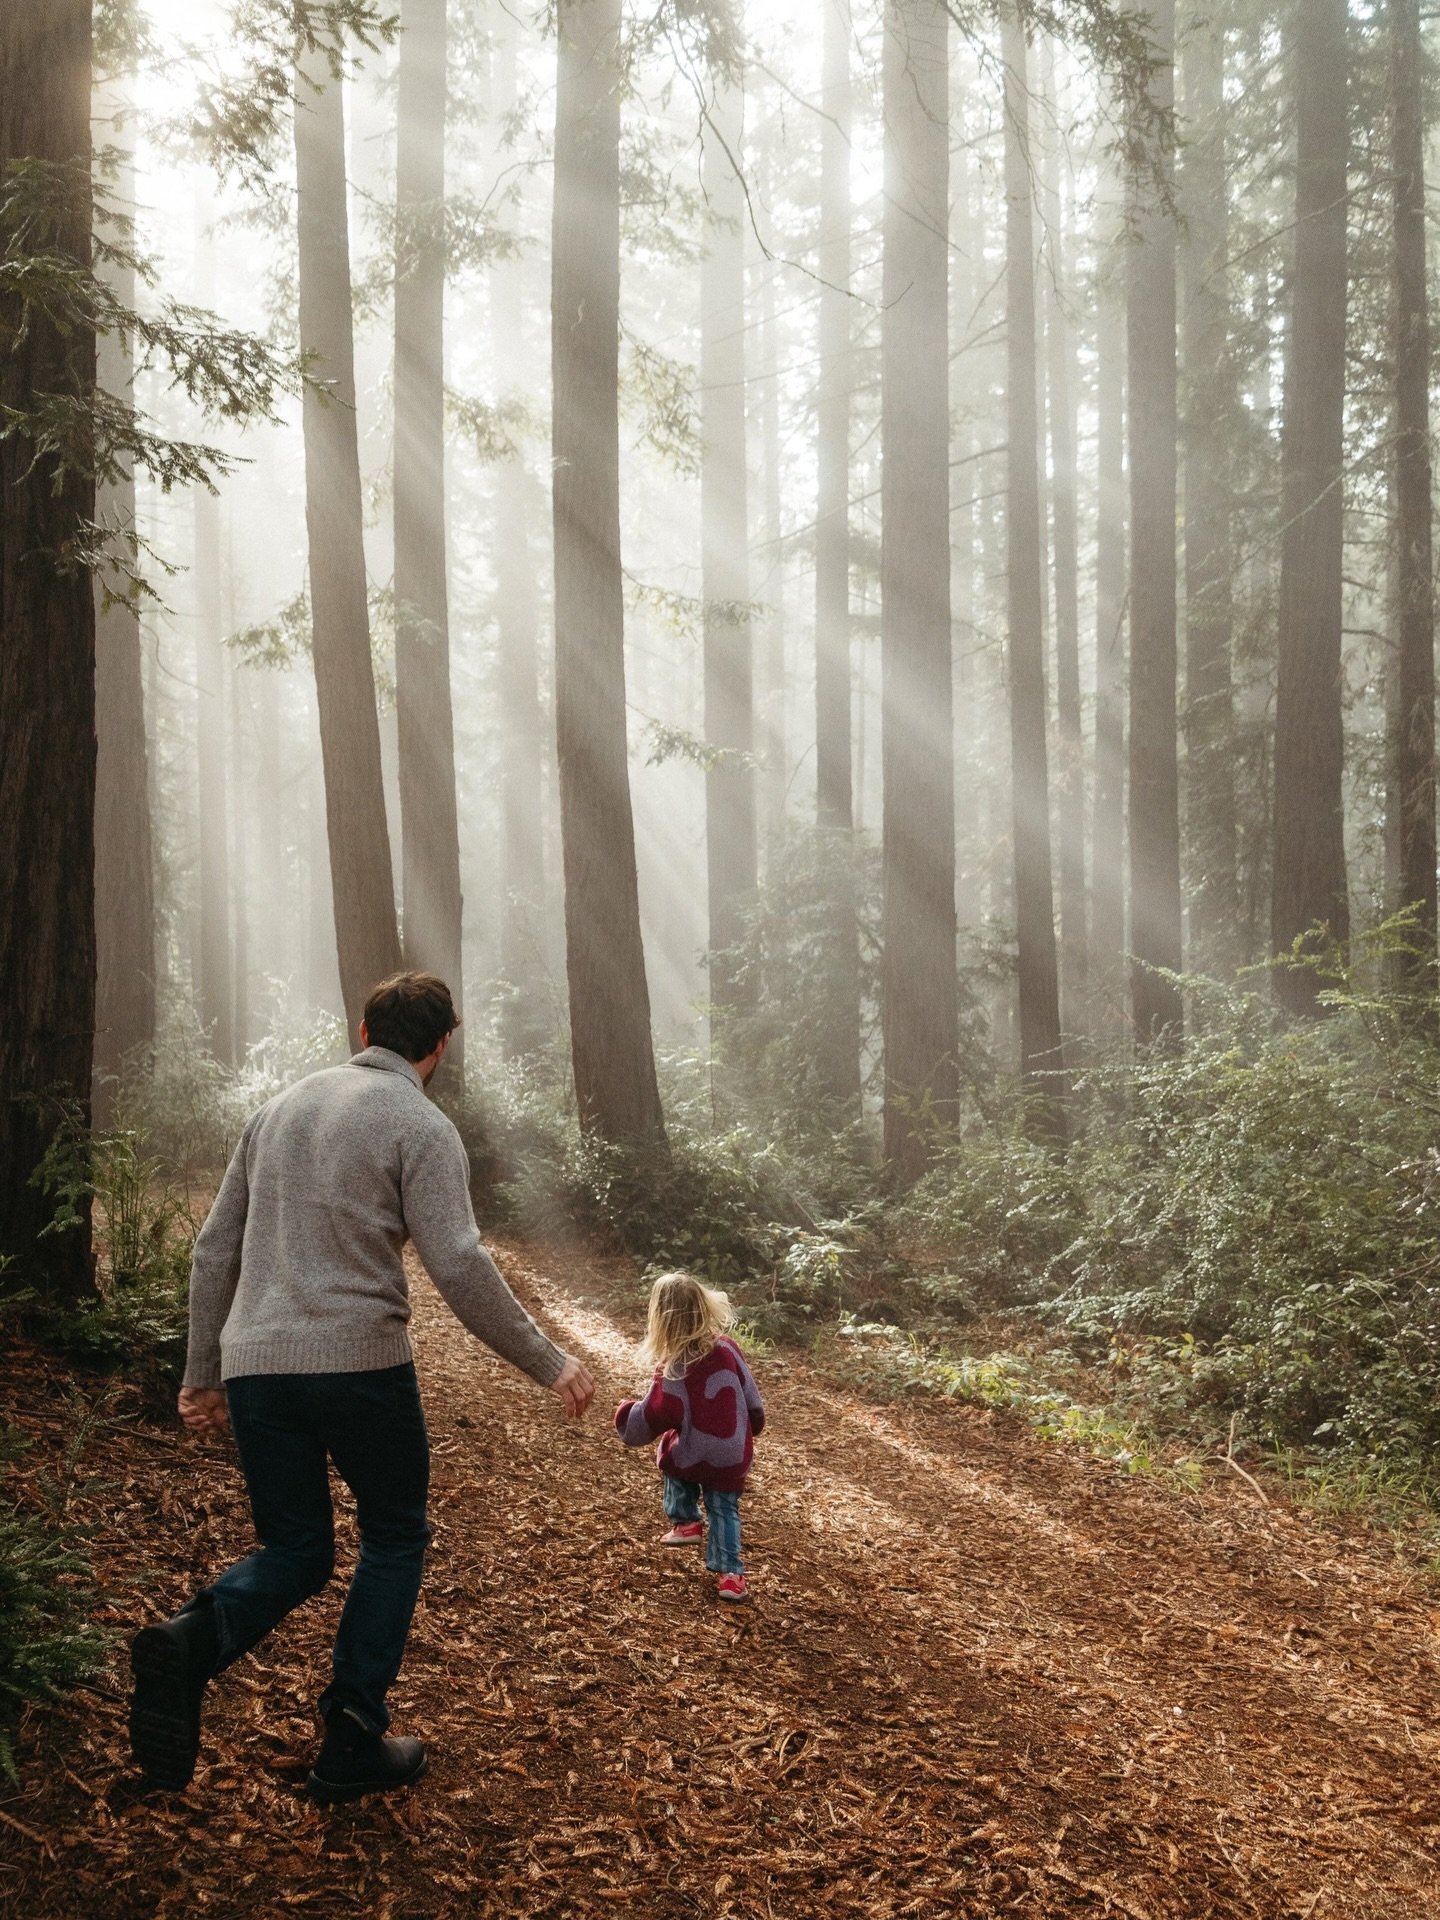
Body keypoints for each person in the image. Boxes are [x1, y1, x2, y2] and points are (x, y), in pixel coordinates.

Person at [128, 971, 596, 1801]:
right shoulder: (420, 1123)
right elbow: (457, 1259)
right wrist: (549, 1362)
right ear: (442, 1044)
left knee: (296, 1549)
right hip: (360, 1366)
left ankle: (194, 1639)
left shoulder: (277, 1110)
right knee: (393, 1536)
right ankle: (350, 1737)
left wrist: (201, 1375)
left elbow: (211, 1251)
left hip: (257, 1369)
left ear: (363, 1027)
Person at [614, 1272, 765, 1602]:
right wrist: (751, 1428)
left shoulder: (673, 1369)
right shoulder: (728, 1349)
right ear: (704, 1308)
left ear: (661, 1321)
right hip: (732, 1453)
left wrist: (626, 1417)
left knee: (672, 1455)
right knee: (725, 1509)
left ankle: (686, 1522)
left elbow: (653, 1416)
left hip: (696, 1456)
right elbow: (752, 1399)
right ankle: (731, 1578)